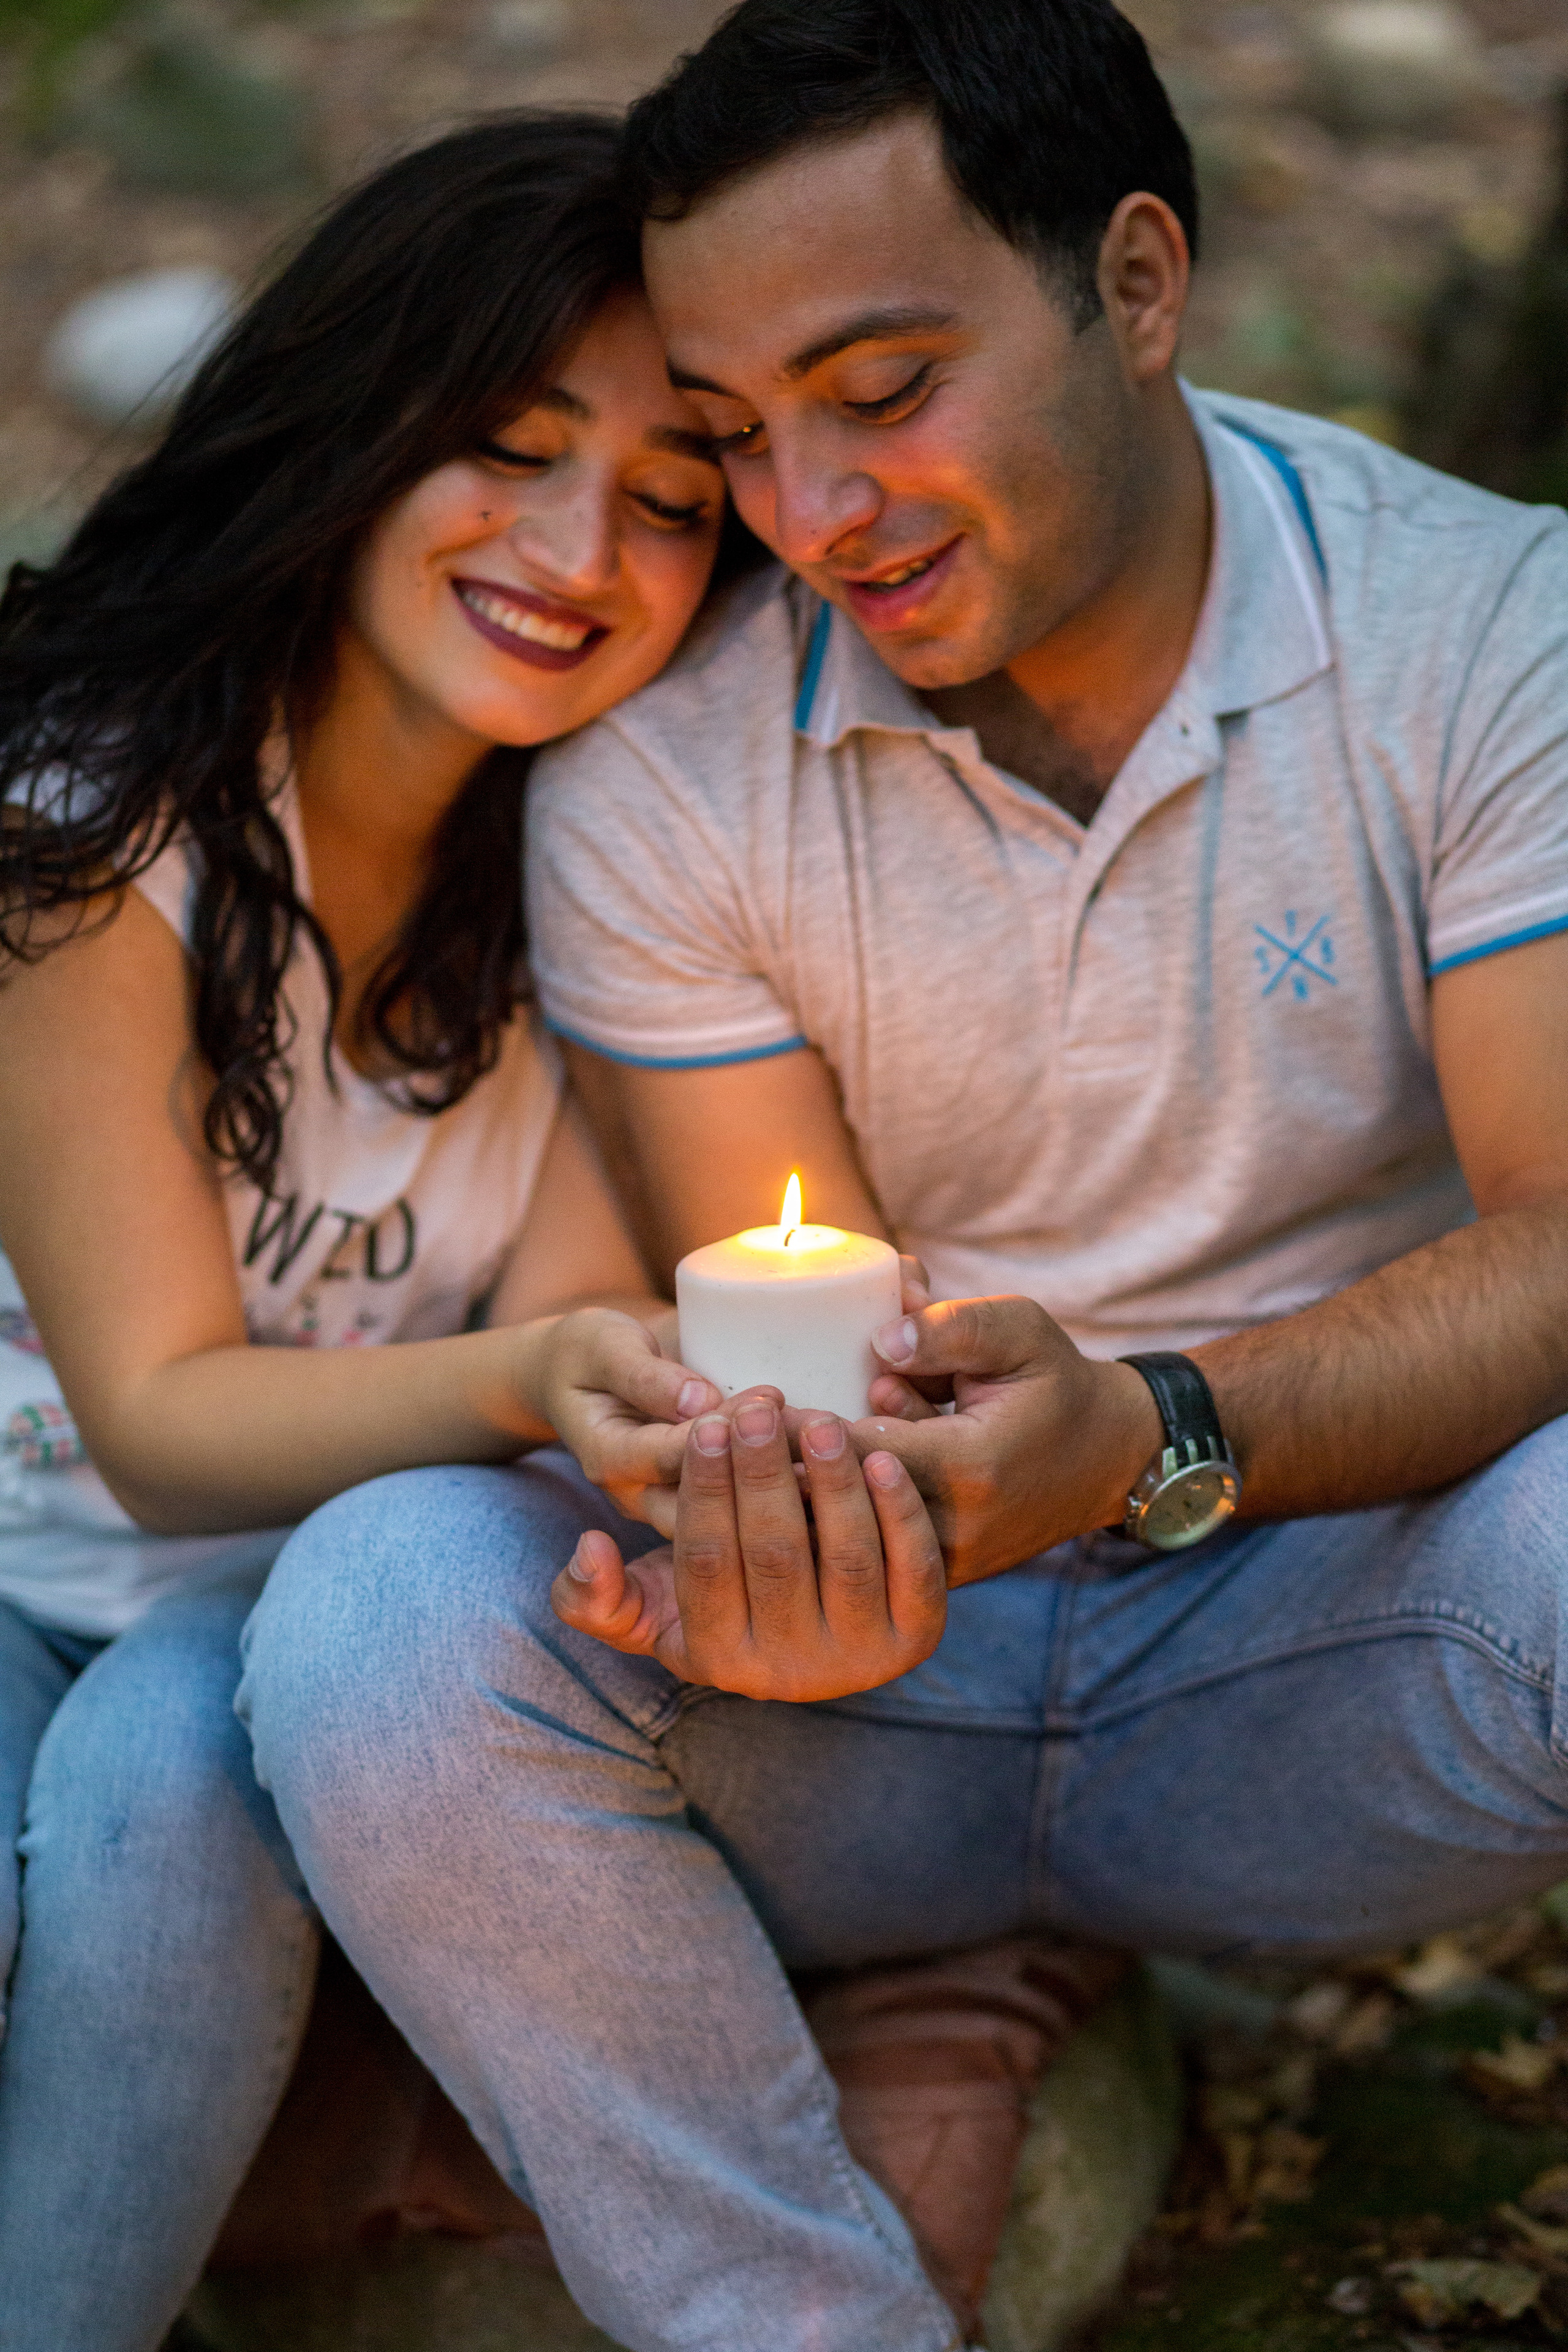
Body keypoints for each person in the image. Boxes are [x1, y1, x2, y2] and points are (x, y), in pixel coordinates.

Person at [238, 2, 1568, 2348]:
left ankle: (1001, 1988)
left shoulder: (1482, 630)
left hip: (1324, 1635)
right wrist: (783, 1522)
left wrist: (1160, 1435)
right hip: (871, 1697)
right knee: (377, 1618)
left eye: (883, 390)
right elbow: (796, 1329)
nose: (809, 516)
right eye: (743, 437)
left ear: (1137, 283)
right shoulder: (667, 759)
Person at [0, 111, 747, 2350]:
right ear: (349, 433)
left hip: (282, 1642)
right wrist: (529, 1383)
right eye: (503, 450)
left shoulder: (623, 886)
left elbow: (569, 1343)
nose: (575, 545)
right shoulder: (95, 828)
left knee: (179, 1791)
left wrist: (612, 1421)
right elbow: (145, 1420)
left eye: (672, 505)